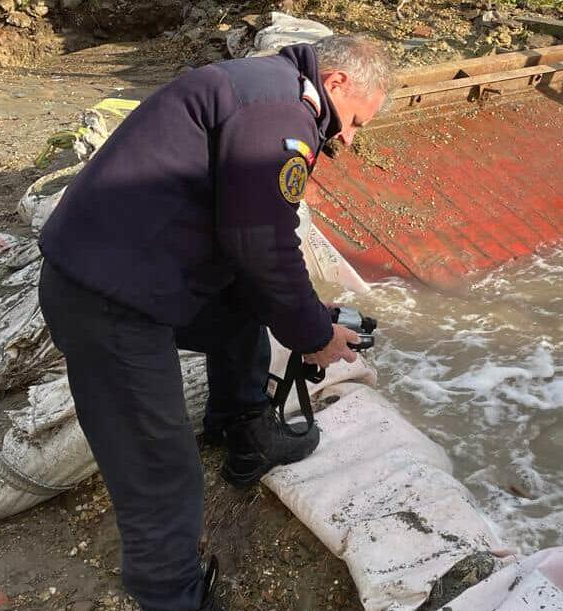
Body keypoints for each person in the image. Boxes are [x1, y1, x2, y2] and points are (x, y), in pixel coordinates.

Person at [36, 35, 393, 611]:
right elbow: (260, 243)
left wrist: (305, 312)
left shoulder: (265, 89)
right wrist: (314, 337)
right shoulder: (280, 113)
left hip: (139, 267)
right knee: (159, 465)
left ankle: (243, 430)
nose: (347, 140)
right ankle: (172, 596)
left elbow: (249, 240)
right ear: (336, 83)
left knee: (242, 311)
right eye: (353, 121)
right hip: (109, 299)